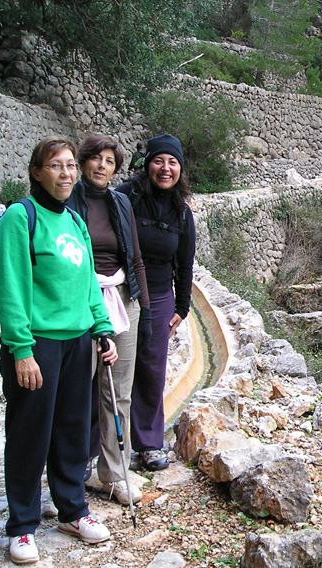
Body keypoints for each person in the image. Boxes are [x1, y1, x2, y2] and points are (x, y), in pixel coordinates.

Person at [0, 136, 118, 565]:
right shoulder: (18, 218)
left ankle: (72, 510)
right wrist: (21, 349)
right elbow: (10, 289)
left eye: (69, 166)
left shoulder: (75, 222)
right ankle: (23, 525)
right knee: (29, 433)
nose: (66, 174)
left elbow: (87, 284)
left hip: (77, 342)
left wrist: (102, 330)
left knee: (71, 430)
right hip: (38, 344)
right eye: (56, 166)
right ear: (36, 172)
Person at [67, 134, 151, 506]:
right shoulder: (67, 202)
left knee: (120, 392)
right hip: (79, 301)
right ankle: (65, 475)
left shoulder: (120, 203)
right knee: (74, 392)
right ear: (83, 162)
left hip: (120, 300)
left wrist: (143, 310)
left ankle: (115, 474)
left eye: (110, 161)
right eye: (96, 159)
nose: (102, 166)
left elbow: (134, 258)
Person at [116, 134, 195, 471]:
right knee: (114, 369)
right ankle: (99, 446)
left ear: (179, 169)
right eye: (159, 161)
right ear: (147, 163)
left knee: (151, 369)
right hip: (121, 292)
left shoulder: (181, 212)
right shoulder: (125, 198)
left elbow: (185, 264)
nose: (165, 168)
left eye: (172, 162)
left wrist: (182, 307)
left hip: (161, 295)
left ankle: (148, 444)